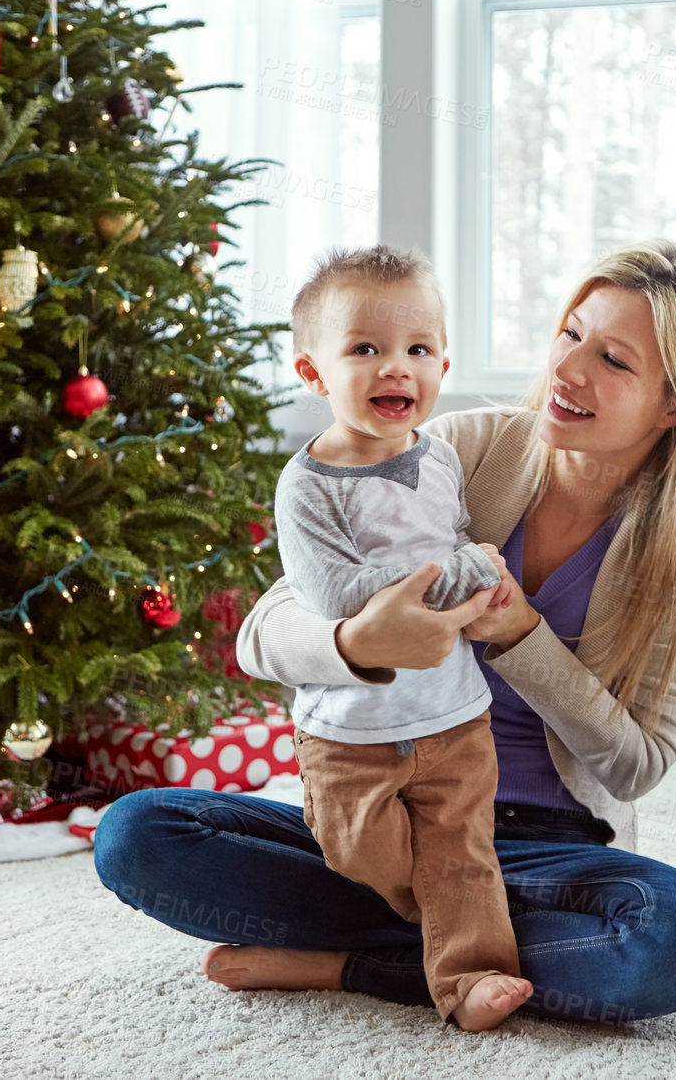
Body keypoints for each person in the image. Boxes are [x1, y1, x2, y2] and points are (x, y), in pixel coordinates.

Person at [92, 239, 676, 1025]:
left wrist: (522, 636)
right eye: (571, 334)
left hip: (537, 848)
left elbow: (638, 763)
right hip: (383, 815)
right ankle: (460, 945)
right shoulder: (460, 450)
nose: (568, 369)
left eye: (613, 360)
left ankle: (352, 963)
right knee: (139, 834)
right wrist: (358, 645)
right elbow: (265, 630)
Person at [274, 245, 530, 1031]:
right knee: (358, 852)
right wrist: (461, 571)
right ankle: (406, 928)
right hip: (350, 731)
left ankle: (471, 980)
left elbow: (452, 545)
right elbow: (335, 596)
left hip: (454, 716)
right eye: (366, 350)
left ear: (441, 365)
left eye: (417, 350)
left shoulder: (444, 460)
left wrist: (470, 574)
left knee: (463, 853)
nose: (397, 368)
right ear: (314, 373)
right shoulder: (307, 486)